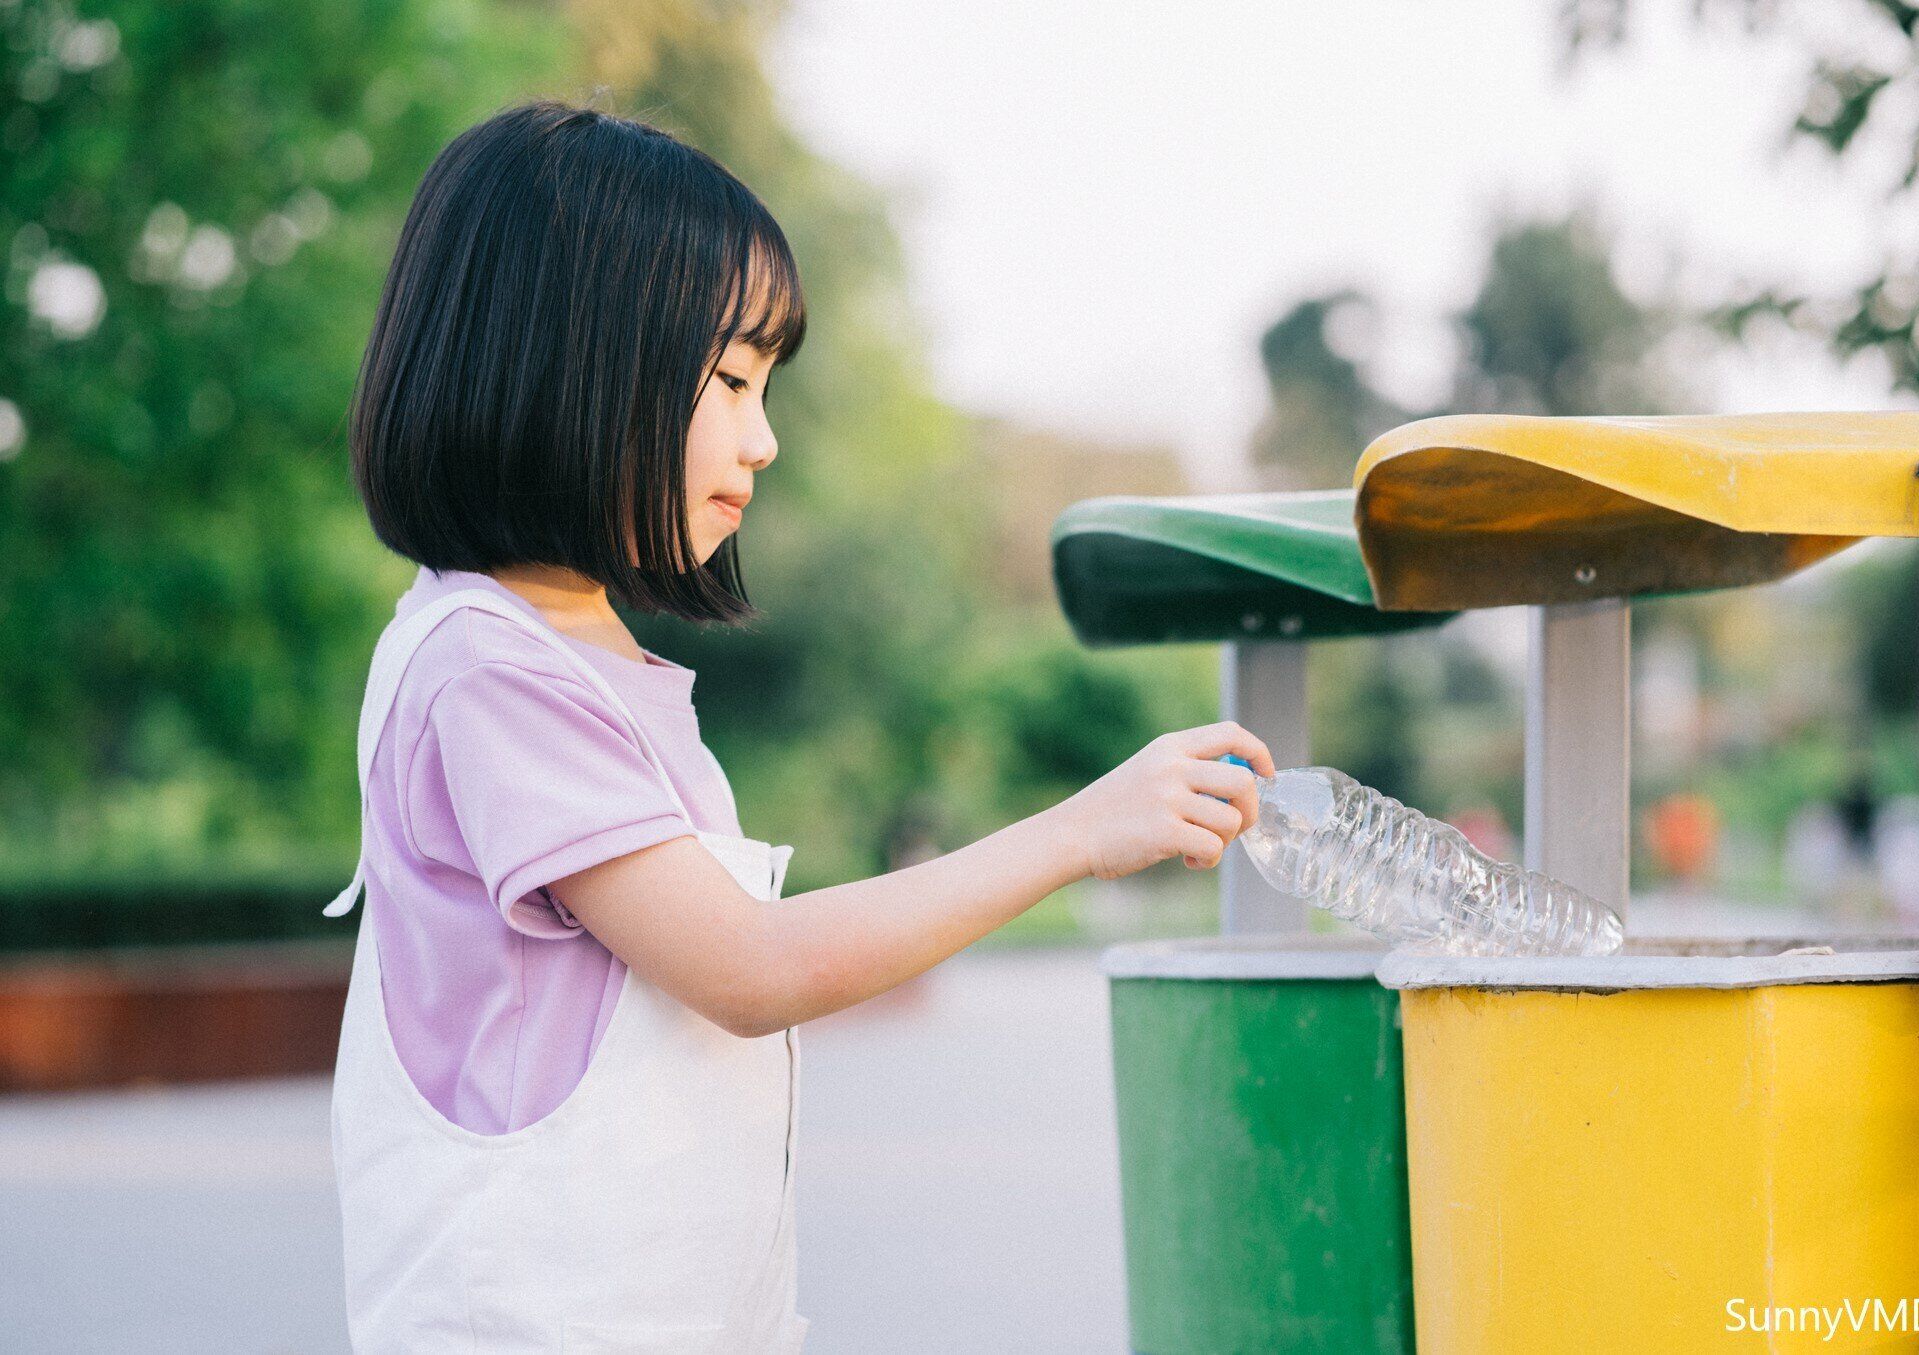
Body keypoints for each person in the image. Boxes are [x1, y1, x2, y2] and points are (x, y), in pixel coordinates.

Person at [322, 101, 1274, 1353]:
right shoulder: (488, 673)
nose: (761, 439)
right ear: (565, 356)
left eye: (765, 387)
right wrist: (1077, 831)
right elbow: (750, 967)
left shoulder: (569, 659)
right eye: (727, 379)